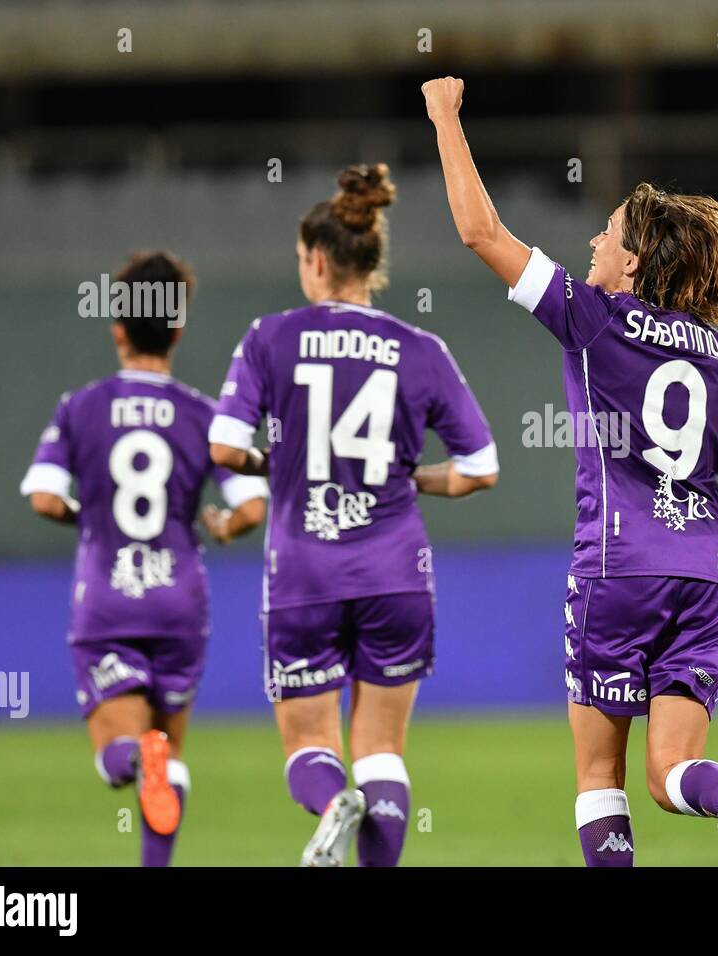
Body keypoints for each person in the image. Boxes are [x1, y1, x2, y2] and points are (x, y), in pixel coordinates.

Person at [422, 76, 718, 867]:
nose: (593, 243)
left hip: (615, 572)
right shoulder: (717, 354)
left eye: (607, 234)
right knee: (674, 775)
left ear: (633, 265)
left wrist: (445, 118)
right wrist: (714, 545)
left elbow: (480, 232)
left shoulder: (592, 318)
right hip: (707, 582)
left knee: (602, 774)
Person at [209, 162, 499, 866]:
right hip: (396, 570)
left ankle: (328, 798)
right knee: (384, 753)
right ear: (372, 264)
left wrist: (269, 465)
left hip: (304, 570)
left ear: (314, 260)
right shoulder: (421, 350)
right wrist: (413, 478)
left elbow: (223, 447)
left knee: (312, 744)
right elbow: (482, 469)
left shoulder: (269, 337)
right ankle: (362, 809)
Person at [20, 250, 268, 866]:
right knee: (171, 755)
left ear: (117, 326)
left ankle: (137, 758)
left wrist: (91, 517)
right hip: (179, 601)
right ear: (178, 329)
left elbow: (45, 497)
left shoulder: (79, 408)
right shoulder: (203, 414)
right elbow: (254, 506)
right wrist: (222, 525)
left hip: (107, 599)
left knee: (119, 759)